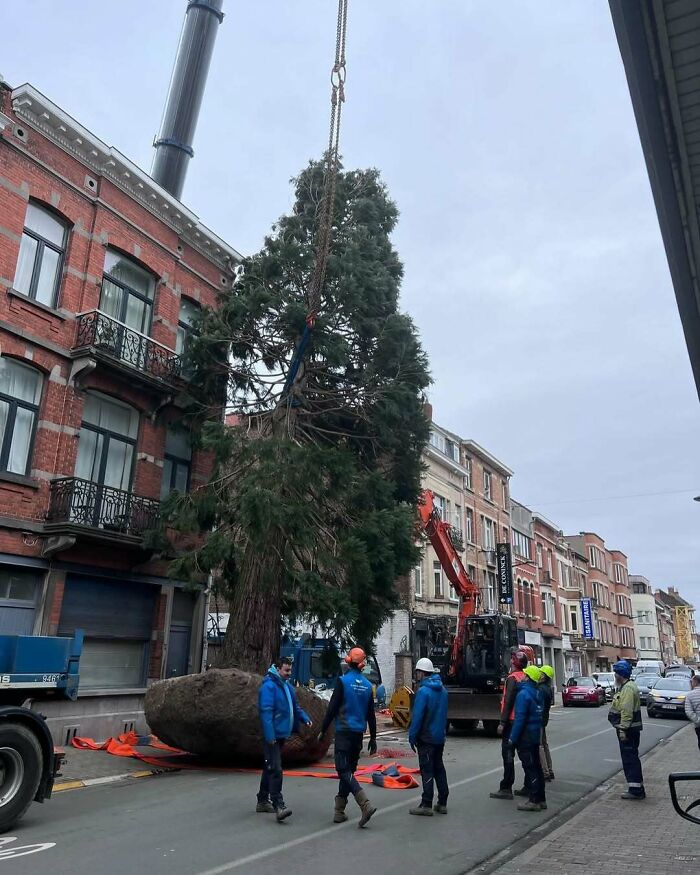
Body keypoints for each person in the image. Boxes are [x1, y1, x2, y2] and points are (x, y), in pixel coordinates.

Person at [320, 647, 378, 828]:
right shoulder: (368, 686)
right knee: (348, 772)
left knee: (343, 770)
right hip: (357, 736)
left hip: (344, 733)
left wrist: (322, 730)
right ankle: (339, 811)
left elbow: (332, 708)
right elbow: (371, 715)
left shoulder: (343, 682)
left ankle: (364, 803)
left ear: (348, 661)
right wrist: (373, 738)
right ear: (362, 664)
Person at [257, 656, 313, 822]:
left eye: (290, 670)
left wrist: (304, 718)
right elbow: (266, 712)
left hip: (281, 734)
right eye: (286, 670)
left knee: (270, 766)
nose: (289, 673)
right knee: (276, 768)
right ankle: (278, 805)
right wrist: (270, 735)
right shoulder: (269, 687)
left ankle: (262, 800)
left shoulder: (286, 687)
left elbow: (294, 707)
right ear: (278, 669)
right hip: (272, 735)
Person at [408, 657, 449, 816]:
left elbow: (417, 717)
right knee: (439, 767)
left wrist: (412, 736)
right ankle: (443, 802)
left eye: (417, 672)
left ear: (422, 673)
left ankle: (426, 803)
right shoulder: (443, 690)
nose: (416, 675)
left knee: (427, 769)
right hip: (439, 736)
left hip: (426, 738)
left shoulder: (423, 692)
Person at [489, 647, 531, 800]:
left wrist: (502, 722)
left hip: (511, 722)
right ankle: (529, 785)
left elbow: (508, 701)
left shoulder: (512, 678)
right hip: (521, 720)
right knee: (524, 753)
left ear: (514, 662)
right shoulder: (524, 676)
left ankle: (506, 787)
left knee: (508, 753)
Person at [509, 664, 546, 812]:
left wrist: (512, 738)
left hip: (525, 736)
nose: (522, 676)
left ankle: (534, 800)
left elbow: (519, 719)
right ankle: (541, 799)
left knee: (530, 768)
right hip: (535, 734)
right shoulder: (538, 693)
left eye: (525, 675)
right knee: (536, 767)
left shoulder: (523, 694)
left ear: (528, 677)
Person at [608, 659, 645, 800]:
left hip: (628, 731)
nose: (615, 676)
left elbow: (626, 711)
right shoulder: (626, 687)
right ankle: (637, 786)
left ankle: (635, 790)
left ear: (620, 674)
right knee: (631, 758)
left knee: (630, 759)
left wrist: (623, 729)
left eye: (616, 673)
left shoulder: (628, 689)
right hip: (630, 730)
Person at [539, 665, 555, 781]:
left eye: (541, 673)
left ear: (544, 677)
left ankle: (545, 772)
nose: (539, 675)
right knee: (545, 744)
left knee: (539, 746)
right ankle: (550, 769)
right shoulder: (548, 689)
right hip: (544, 719)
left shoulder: (540, 689)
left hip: (539, 720)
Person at [684, 674, 700, 751]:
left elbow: (688, 711)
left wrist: (697, 720)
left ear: (695, 682)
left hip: (698, 725)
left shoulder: (690, 695)